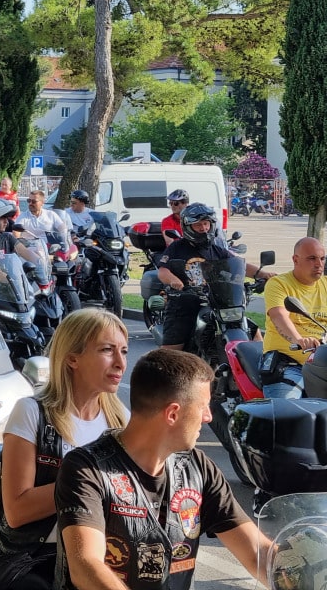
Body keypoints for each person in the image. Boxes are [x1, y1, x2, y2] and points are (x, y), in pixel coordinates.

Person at [54, 348, 272, 590]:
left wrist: (299, 568)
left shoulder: (197, 467)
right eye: (204, 407)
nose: (208, 417)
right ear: (172, 413)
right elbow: (86, 566)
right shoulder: (87, 468)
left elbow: (257, 552)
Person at [0, 309, 129, 590]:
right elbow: (16, 510)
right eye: (107, 350)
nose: (120, 363)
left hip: (108, 554)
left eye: (124, 351)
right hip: (40, 556)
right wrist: (88, 482)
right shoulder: (32, 412)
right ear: (72, 358)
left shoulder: (121, 419)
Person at [157, 203, 273, 352]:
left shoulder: (216, 249)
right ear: (187, 227)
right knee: (173, 350)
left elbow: (239, 264)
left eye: (206, 224)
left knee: (252, 331)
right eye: (198, 225)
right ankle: (164, 372)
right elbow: (163, 270)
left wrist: (263, 274)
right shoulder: (177, 248)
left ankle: (257, 367)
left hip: (216, 302)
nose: (203, 228)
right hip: (185, 303)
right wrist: (174, 281)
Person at [261, 236, 327, 398]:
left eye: (322, 258)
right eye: (312, 258)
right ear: (295, 260)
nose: (319, 264)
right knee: (288, 413)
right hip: (289, 363)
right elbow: (279, 316)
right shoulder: (278, 284)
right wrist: (298, 339)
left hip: (321, 363)